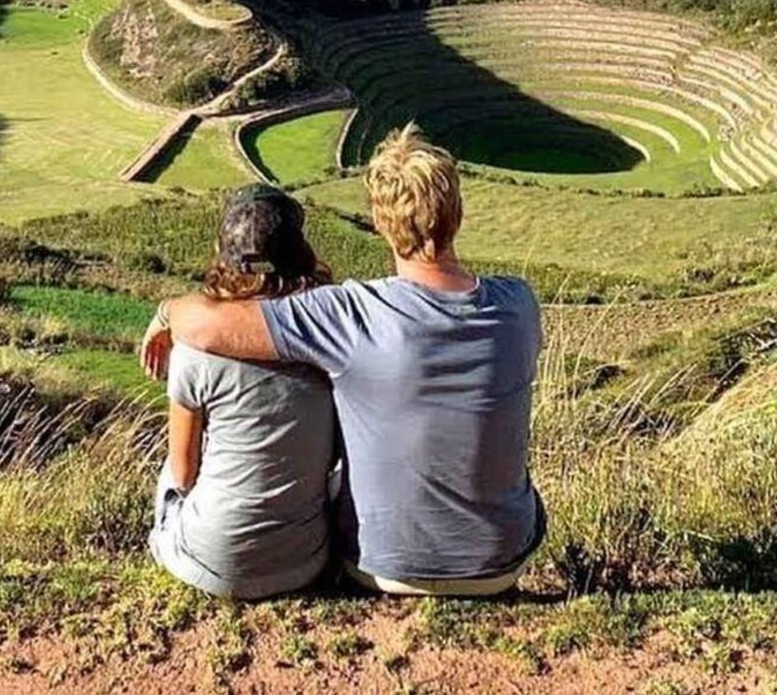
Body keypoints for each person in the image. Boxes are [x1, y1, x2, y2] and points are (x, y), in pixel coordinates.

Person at [143, 124, 544, 596]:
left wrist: (166, 312)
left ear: (379, 221)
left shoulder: (351, 314)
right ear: (458, 212)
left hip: (382, 566)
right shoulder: (519, 303)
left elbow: (208, 327)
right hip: (501, 565)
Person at [147, 184, 337, 600]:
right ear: (301, 251)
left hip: (210, 564)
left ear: (222, 251)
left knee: (169, 472)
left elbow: (183, 473)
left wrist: (167, 313)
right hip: (306, 560)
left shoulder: (195, 350)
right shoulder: (332, 339)